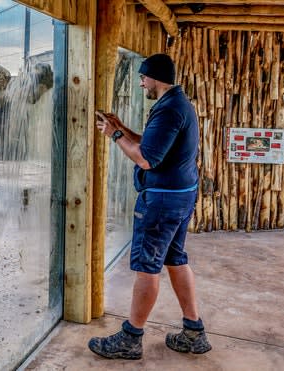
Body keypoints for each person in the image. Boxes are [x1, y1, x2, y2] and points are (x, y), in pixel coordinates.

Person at [88, 53, 211, 360]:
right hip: (181, 195)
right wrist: (121, 127)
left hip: (161, 201)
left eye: (143, 76)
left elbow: (146, 158)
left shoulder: (169, 110)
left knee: (147, 267)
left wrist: (113, 135)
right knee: (175, 258)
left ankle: (131, 338)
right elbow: (151, 144)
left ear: (156, 78)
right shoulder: (178, 104)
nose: (141, 81)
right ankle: (194, 332)